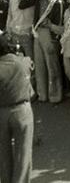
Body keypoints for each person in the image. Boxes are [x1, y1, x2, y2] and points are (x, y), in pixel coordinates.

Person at [0, 33, 34, 183]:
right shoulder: (23, 61)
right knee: (23, 156)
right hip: (22, 111)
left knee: (3, 155)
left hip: (1, 113)